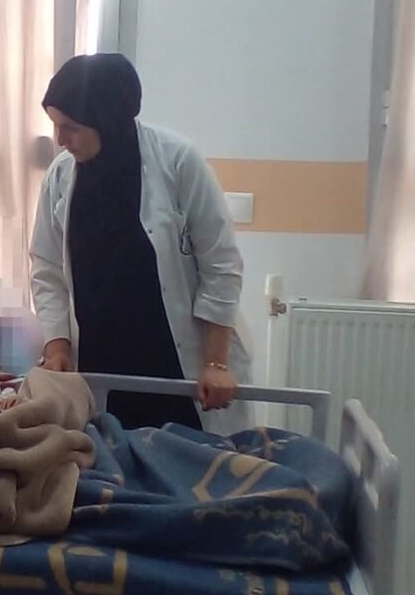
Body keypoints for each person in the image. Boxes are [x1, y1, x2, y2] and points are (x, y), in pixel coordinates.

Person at [29, 53, 251, 432]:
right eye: (55, 126)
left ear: (107, 120)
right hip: (99, 365)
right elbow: (47, 270)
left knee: (185, 457)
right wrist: (58, 346)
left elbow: (221, 266)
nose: (61, 140)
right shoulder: (60, 176)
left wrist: (216, 363)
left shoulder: (178, 161)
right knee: (108, 457)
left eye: (71, 127)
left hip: (177, 364)